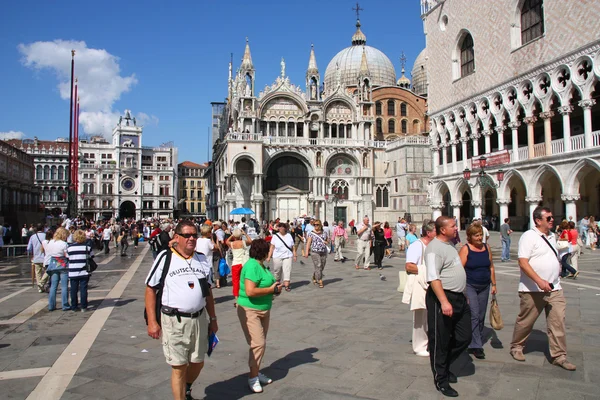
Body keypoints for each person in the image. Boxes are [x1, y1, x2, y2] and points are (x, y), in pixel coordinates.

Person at [145, 220, 218, 400]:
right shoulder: (165, 257)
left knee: (198, 362)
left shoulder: (201, 259)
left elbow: (207, 292)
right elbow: (150, 288)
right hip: (173, 320)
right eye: (187, 235)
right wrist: (153, 322)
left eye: (194, 235)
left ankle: (186, 386)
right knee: (178, 367)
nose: (191, 238)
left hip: (199, 319)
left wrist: (213, 319)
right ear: (176, 238)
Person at [510, 206, 576, 371]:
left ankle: (559, 356)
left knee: (557, 321)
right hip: (532, 289)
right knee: (526, 321)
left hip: (554, 288)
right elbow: (523, 262)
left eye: (552, 217)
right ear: (538, 220)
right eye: (549, 218)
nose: (552, 220)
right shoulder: (528, 236)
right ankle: (517, 346)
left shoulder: (552, 236)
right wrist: (539, 280)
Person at [424, 216, 471, 397]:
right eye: (453, 226)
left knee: (464, 336)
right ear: (443, 230)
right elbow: (433, 278)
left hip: (458, 297)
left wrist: (463, 294)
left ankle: (444, 364)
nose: (456, 228)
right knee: (440, 341)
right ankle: (441, 379)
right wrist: (444, 301)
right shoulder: (434, 249)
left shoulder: (450, 245)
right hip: (442, 298)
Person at [237, 239, 282, 393]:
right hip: (250, 310)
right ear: (262, 251)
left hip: (264, 309)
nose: (270, 252)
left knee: (259, 344)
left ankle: (256, 372)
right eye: (268, 249)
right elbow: (250, 291)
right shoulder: (251, 266)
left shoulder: (261, 265)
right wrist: (271, 290)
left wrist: (275, 289)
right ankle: (252, 377)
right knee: (258, 343)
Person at [459, 223, 497, 360]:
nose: (480, 237)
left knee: (481, 315)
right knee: (474, 314)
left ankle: (473, 339)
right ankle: (476, 345)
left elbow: (491, 267)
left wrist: (494, 284)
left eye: (481, 234)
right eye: (476, 235)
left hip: (485, 286)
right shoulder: (466, 249)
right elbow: (459, 269)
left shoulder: (487, 247)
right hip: (470, 285)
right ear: (470, 237)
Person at [403, 221, 436, 357]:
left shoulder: (435, 246)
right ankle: (419, 345)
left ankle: (430, 341)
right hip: (420, 284)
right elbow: (409, 266)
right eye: (436, 231)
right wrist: (429, 271)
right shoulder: (417, 246)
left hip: (432, 283)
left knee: (431, 315)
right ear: (428, 233)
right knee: (421, 315)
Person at [44, 227, 71, 311]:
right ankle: (65, 304)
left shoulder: (50, 242)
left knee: (53, 286)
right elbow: (67, 255)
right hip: (63, 264)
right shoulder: (64, 244)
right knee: (64, 286)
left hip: (53, 263)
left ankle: (51, 305)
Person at [67, 229, 94, 312]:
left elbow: (67, 257)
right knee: (83, 289)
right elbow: (92, 256)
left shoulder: (70, 248)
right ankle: (83, 306)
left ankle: (74, 306)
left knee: (73, 290)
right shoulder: (87, 247)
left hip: (73, 272)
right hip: (84, 271)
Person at [267, 223, 296, 291]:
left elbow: (293, 246)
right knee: (277, 270)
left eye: (283, 227)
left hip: (287, 256)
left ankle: (286, 285)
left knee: (287, 270)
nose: (281, 228)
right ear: (278, 228)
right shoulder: (275, 236)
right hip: (277, 256)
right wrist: (269, 256)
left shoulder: (289, 235)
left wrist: (295, 255)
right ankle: (277, 282)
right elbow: (272, 247)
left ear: (285, 228)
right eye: (280, 227)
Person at [227, 228, 252, 305]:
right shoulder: (243, 242)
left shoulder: (232, 244)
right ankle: (245, 295)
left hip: (235, 264)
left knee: (235, 282)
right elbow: (250, 241)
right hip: (244, 263)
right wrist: (245, 234)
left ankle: (236, 299)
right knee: (245, 280)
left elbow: (226, 241)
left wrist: (232, 235)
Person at [304, 219, 329, 288]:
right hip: (314, 251)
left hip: (323, 251)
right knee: (318, 265)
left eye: (317, 224)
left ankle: (315, 276)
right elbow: (308, 243)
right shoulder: (311, 233)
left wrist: (327, 242)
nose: (316, 226)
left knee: (322, 266)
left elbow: (327, 240)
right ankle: (319, 280)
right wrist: (306, 251)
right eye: (314, 225)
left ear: (320, 225)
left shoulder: (324, 232)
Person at [27, 223, 48, 293]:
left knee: (38, 273)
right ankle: (41, 284)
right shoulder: (46, 236)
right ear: (43, 228)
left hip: (36, 257)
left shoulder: (33, 237)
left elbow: (29, 248)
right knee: (48, 271)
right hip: (45, 258)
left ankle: (40, 288)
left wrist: (32, 253)